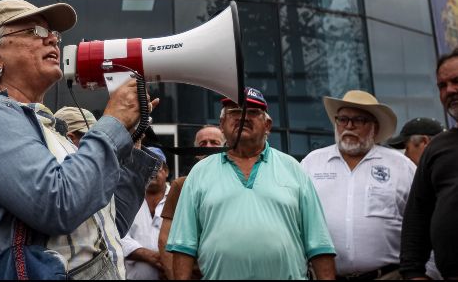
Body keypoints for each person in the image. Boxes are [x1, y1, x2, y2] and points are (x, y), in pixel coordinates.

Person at [0, 0, 161, 280]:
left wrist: (130, 141)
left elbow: (108, 229)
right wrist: (113, 123)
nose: (53, 41)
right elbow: (58, 204)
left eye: (54, 35)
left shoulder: (51, 129)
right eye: (36, 32)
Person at [167, 87, 336, 280]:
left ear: (268, 125)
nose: (243, 117)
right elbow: (183, 246)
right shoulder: (199, 173)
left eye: (253, 112)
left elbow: (319, 244)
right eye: (235, 112)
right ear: (222, 124)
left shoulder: (293, 169)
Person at [301, 90, 414, 279]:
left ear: (375, 128)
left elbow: (425, 222)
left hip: (389, 276)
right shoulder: (311, 163)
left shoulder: (401, 166)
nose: (349, 126)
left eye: (358, 120)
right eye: (343, 119)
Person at [401, 49, 458, 279]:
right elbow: (416, 219)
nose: (449, 90)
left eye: (456, 81)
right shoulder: (437, 148)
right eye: (442, 86)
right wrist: (413, 273)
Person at [157, 124, 225, 279]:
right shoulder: (181, 185)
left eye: (214, 142)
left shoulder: (238, 184)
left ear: (226, 147)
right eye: (202, 143)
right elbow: (164, 239)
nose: (208, 147)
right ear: (196, 153)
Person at [122, 147, 170, 280]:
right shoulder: (126, 198)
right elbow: (118, 233)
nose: (151, 171)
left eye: (156, 166)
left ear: (166, 171)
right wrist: (148, 255)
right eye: (147, 167)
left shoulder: (178, 198)